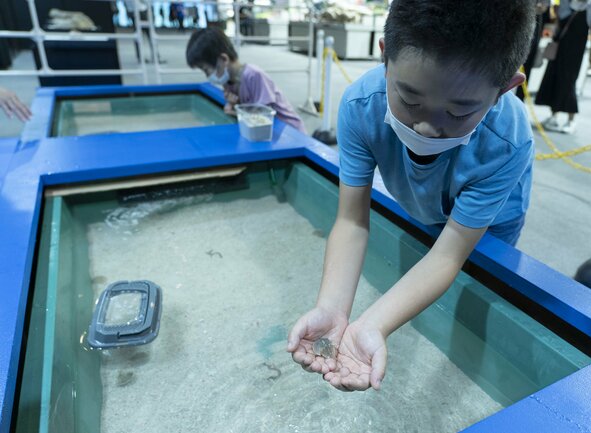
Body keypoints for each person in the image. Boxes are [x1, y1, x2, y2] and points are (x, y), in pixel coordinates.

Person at [287, 0, 536, 392]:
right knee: (427, 236)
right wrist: (335, 310)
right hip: (423, 196)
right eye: (409, 100)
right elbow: (352, 220)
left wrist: (375, 322)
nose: (428, 126)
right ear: (385, 57)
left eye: (458, 113)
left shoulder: (508, 143)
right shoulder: (360, 106)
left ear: (505, 89)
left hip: (492, 217)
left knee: (480, 277)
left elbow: (449, 253)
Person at [185, 27, 306, 133]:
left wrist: (239, 113)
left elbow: (262, 117)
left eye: (206, 70)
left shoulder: (254, 75)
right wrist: (234, 105)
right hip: (268, 133)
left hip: (289, 132)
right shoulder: (228, 81)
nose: (207, 76)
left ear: (223, 60)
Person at [535, 0, 591, 134]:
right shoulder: (565, 2)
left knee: (569, 82)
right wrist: (555, 15)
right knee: (554, 78)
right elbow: (558, 26)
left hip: (575, 51)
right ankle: (553, 116)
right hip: (559, 47)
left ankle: (571, 120)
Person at [517, 1, 552, 101]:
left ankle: (520, 97)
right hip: (519, 26)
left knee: (526, 65)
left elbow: (543, 9)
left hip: (533, 31)